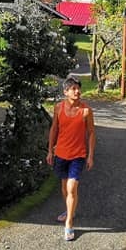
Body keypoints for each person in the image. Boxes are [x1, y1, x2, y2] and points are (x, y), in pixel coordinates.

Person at [45, 75, 95, 241]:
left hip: (78, 155)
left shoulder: (86, 111)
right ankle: (69, 209)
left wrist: (90, 156)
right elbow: (54, 129)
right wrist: (50, 151)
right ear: (66, 91)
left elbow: (92, 133)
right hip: (60, 154)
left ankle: (69, 223)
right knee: (64, 189)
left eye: (78, 88)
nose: (77, 91)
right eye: (73, 88)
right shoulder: (58, 108)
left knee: (72, 188)